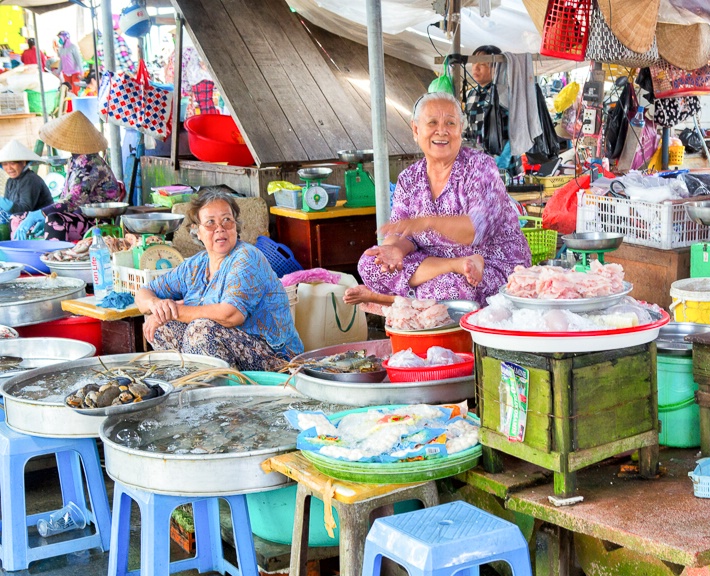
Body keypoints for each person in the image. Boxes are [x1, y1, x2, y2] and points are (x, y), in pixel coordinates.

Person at [344, 92, 531, 308]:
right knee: (370, 264)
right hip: (442, 266)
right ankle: (449, 270)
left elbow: (475, 230)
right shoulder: (409, 178)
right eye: (432, 122)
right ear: (416, 130)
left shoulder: (481, 167)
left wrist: (429, 222)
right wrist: (394, 250)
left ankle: (389, 299)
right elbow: (402, 235)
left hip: (490, 266)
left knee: (451, 288)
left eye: (450, 123)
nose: (441, 131)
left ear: (460, 129)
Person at [135, 189, 303, 371]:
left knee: (200, 329)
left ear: (235, 226)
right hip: (231, 349)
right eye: (210, 223)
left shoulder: (247, 257)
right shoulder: (195, 265)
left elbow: (230, 315)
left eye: (227, 220)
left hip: (277, 358)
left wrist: (172, 310)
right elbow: (143, 294)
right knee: (162, 328)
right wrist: (156, 306)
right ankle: (194, 382)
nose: (220, 228)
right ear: (196, 232)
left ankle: (222, 389)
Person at [13, 111, 122, 241]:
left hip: (97, 222)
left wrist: (42, 214)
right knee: (17, 217)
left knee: (54, 220)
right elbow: (64, 198)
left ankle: (55, 257)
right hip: (78, 215)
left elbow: (73, 201)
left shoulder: (89, 162)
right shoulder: (75, 160)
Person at [0, 140, 52, 236]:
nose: (9, 168)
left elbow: (25, 209)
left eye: (12, 163)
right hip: (18, 221)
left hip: (38, 225)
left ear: (23, 162)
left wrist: (7, 205)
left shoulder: (30, 179)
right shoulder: (10, 181)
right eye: (5, 164)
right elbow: (8, 211)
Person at [463, 45, 507, 153]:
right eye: (474, 63)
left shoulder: (504, 93)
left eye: (482, 64)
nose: (475, 68)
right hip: (476, 160)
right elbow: (467, 126)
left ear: (496, 67)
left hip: (500, 161)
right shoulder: (471, 94)